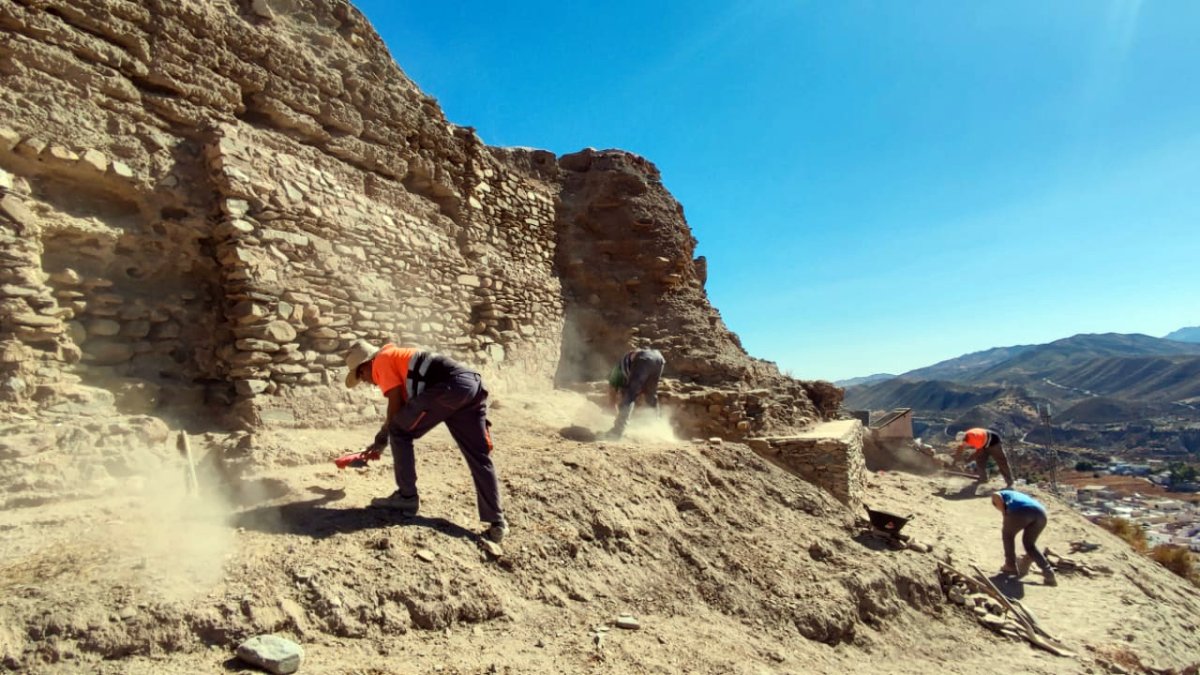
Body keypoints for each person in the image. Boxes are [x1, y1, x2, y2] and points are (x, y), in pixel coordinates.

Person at [344, 340, 507, 543]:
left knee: (399, 431)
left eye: (361, 376)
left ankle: (407, 498)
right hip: (472, 385)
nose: (367, 381)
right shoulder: (397, 358)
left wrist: (382, 438)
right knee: (478, 456)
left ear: (366, 365)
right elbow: (405, 405)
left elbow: (395, 407)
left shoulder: (381, 361)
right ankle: (497, 522)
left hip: (448, 388)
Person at [991, 489, 1057, 586]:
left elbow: (996, 495)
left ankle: (1010, 565)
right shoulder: (1016, 496)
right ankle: (1049, 574)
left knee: (1008, 535)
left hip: (1021, 511)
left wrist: (1004, 513)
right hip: (1041, 514)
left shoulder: (1000, 494)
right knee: (1030, 545)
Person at [603, 347, 666, 440]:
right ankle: (657, 428)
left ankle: (617, 432)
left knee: (630, 395)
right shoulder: (629, 370)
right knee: (651, 395)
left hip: (643, 359)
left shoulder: (617, 371)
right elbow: (640, 390)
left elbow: (612, 388)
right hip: (659, 358)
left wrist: (612, 404)